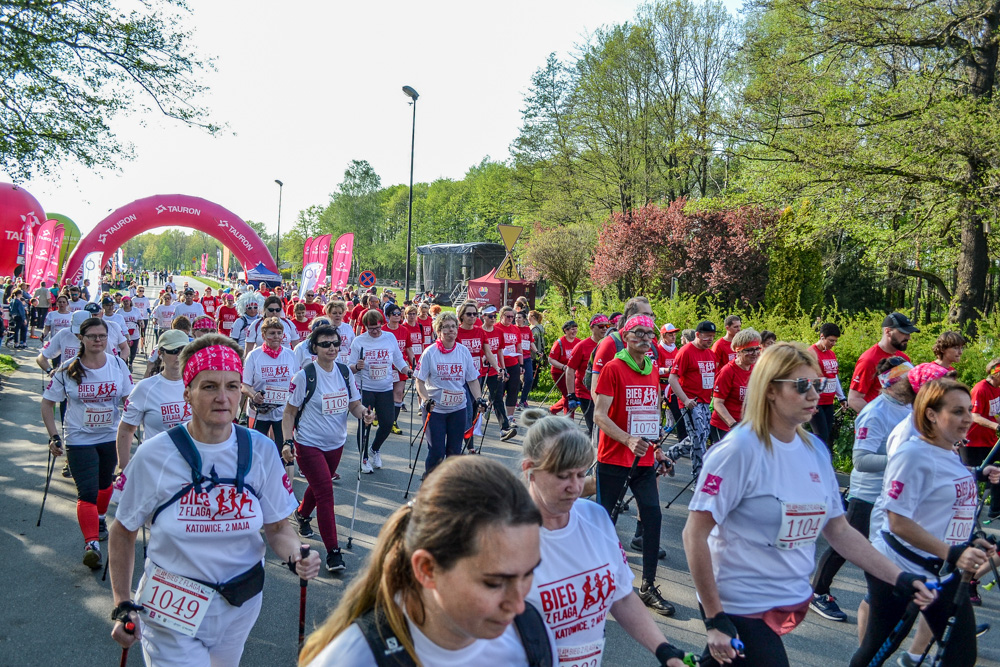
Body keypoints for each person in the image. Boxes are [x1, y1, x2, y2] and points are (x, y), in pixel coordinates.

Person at [683, 342, 934, 667]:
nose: (814, 394)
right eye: (802, 386)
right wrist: (715, 618)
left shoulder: (814, 448)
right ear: (770, 390)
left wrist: (899, 577)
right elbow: (694, 534)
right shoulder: (738, 450)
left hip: (785, 605)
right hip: (739, 606)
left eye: (818, 384)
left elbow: (839, 531)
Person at [108, 333, 321, 665]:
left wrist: (297, 556)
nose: (223, 397)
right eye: (209, 386)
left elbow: (278, 528)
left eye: (232, 386)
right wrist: (122, 603)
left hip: (240, 603)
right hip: (171, 606)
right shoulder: (156, 455)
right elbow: (123, 531)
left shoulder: (261, 449)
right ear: (188, 394)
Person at [298, 457, 557, 667]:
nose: (519, 605)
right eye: (494, 583)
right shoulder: (351, 659)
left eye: (528, 574)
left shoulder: (529, 634)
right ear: (427, 569)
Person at [519, 409, 690, 667]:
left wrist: (664, 650)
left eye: (580, 475)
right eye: (563, 476)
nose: (575, 487)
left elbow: (620, 597)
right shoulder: (504, 535)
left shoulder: (595, 518)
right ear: (530, 470)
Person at [851, 378, 998, 667]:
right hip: (900, 568)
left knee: (960, 656)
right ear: (931, 413)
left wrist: (968, 541)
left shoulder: (948, 450)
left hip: (943, 570)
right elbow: (898, 522)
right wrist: (953, 552)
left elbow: (942, 501)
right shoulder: (912, 454)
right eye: (957, 411)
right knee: (877, 650)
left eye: (969, 410)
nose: (968, 418)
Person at [809, 356, 917, 623]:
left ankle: (899, 598)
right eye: (907, 379)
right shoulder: (875, 412)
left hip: (895, 492)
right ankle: (817, 592)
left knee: (897, 546)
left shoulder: (909, 407)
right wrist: (902, 460)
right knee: (845, 546)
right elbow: (861, 460)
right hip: (868, 493)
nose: (913, 384)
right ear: (890, 383)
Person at [593, 314, 677, 616]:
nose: (645, 337)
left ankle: (648, 586)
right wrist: (627, 440)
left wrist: (658, 450)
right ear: (626, 336)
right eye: (638, 332)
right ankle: (595, 582)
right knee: (606, 525)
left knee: (653, 516)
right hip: (613, 458)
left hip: (643, 459)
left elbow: (650, 412)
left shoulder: (653, 368)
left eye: (649, 333)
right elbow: (599, 415)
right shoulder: (614, 368)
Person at [40, 317, 133, 568]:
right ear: (81, 338)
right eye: (92, 336)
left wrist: (131, 423)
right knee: (88, 492)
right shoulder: (68, 368)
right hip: (79, 438)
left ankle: (100, 518)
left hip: (109, 436)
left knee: (105, 485)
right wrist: (54, 436)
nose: (98, 341)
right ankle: (91, 544)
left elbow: (129, 399)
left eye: (102, 336)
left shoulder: (117, 365)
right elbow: (48, 403)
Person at [280, 325, 372, 573]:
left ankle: (301, 514)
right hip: (309, 444)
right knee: (326, 493)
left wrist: (363, 413)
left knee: (319, 487)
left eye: (335, 343)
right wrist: (288, 441)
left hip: (336, 444)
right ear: (314, 348)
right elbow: (289, 413)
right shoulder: (304, 376)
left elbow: (354, 404)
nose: (332, 348)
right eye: (325, 344)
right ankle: (333, 551)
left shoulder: (344, 372)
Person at [415, 313, 486, 474]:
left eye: (453, 326)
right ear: (438, 331)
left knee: (454, 453)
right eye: (445, 327)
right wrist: (425, 399)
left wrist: (479, 399)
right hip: (435, 410)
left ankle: (448, 488)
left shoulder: (463, 352)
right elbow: (419, 381)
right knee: (437, 453)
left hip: (458, 409)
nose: (450, 330)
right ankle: (430, 485)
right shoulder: (430, 352)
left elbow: (472, 380)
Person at [115, 329, 191, 469]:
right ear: (161, 354)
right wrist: (124, 469)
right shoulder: (145, 388)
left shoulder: (199, 384)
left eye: (184, 350)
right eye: (173, 350)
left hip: (192, 465)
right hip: (155, 465)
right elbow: (126, 429)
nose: (179, 355)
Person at [349, 309, 411, 473]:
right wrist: (357, 366)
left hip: (385, 388)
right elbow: (350, 367)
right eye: (371, 329)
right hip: (366, 388)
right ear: (365, 328)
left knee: (387, 423)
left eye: (378, 328)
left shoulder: (389, 337)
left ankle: (374, 449)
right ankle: (363, 458)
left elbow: (398, 359)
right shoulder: (359, 341)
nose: (375, 332)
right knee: (365, 422)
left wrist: (407, 370)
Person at [667, 320, 718, 479]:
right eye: (707, 336)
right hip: (691, 403)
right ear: (697, 335)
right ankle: (699, 477)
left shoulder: (710, 354)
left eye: (712, 337)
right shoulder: (686, 351)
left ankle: (670, 454)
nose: (710, 340)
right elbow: (672, 378)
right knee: (698, 439)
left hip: (704, 403)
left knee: (701, 436)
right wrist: (685, 400)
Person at [242, 317, 301, 451]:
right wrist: (254, 395)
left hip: (283, 412)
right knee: (256, 451)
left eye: (279, 333)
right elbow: (244, 385)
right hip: (259, 411)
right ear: (263, 335)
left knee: (283, 451)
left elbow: (297, 382)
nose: (276, 337)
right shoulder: (253, 356)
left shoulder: (290, 355)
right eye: (272, 333)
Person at [848, 312, 917, 412]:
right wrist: (879, 418)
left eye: (909, 333)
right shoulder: (868, 360)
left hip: (898, 424)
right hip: (875, 426)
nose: (908, 337)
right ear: (888, 331)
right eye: (904, 332)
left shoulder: (904, 359)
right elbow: (854, 399)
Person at [708, 328, 761, 445]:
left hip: (745, 427)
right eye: (749, 350)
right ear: (738, 351)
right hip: (725, 426)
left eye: (757, 349)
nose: (755, 353)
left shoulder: (755, 369)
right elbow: (717, 402)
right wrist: (733, 425)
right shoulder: (728, 371)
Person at [965, 358, 1000, 520]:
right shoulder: (980, 389)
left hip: (989, 441)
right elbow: (975, 416)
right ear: (996, 372)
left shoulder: (997, 389)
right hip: (972, 442)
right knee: (970, 477)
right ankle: (966, 512)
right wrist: (997, 427)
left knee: (996, 473)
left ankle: (995, 510)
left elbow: (992, 414)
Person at [564, 314, 609, 435]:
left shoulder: (609, 345)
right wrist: (571, 394)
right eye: (601, 326)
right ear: (592, 328)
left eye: (607, 326)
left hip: (605, 394)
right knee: (596, 427)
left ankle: (585, 445)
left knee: (603, 429)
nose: (604, 329)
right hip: (586, 394)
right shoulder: (582, 346)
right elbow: (570, 370)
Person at [808, 322, 849, 450]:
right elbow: (807, 378)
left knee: (827, 436)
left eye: (835, 341)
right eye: (831, 340)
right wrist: (811, 401)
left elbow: (834, 376)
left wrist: (841, 397)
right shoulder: (811, 353)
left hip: (828, 401)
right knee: (821, 435)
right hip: (817, 401)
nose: (833, 344)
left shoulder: (831, 354)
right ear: (822, 337)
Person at [481, 306, 517, 440]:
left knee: (498, 398)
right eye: (490, 316)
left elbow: (500, 351)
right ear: (483, 316)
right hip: (479, 370)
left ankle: (504, 428)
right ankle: (470, 426)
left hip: (494, 369)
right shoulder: (479, 332)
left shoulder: (499, 331)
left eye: (494, 316)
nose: (492, 318)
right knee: (475, 400)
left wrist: (502, 368)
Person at [383, 302, 414, 436]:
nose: (397, 316)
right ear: (388, 316)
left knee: (399, 393)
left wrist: (413, 364)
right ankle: (381, 416)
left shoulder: (404, 330)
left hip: (401, 368)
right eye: (393, 314)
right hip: (386, 368)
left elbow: (408, 349)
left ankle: (393, 423)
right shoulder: (383, 330)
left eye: (398, 314)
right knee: (384, 396)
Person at [497, 306, 523, 428]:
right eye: (508, 316)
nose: (510, 319)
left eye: (512, 317)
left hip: (513, 363)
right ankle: (491, 408)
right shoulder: (496, 328)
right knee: (499, 391)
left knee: (513, 390)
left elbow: (519, 347)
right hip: (499, 365)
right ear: (501, 316)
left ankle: (510, 417)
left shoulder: (515, 329)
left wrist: (521, 364)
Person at [547, 319, 580, 417]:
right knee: (569, 395)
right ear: (566, 330)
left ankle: (552, 410)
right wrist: (563, 367)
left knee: (572, 394)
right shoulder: (559, 343)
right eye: (572, 329)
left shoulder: (579, 342)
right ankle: (569, 420)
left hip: (573, 373)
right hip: (559, 373)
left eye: (575, 329)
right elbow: (551, 359)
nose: (574, 331)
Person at [514, 311, 536, 410]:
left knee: (529, 379)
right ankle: (513, 400)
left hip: (527, 357)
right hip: (516, 358)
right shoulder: (513, 329)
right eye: (516, 317)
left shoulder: (527, 329)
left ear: (524, 319)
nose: (517, 319)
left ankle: (523, 400)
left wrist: (537, 351)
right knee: (515, 381)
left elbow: (531, 342)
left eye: (519, 317)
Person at [116, 296, 143, 368]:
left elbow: (140, 319)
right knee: (125, 349)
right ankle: (126, 363)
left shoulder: (135, 310)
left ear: (130, 301)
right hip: (124, 334)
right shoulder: (119, 311)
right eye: (124, 301)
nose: (126, 303)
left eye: (127, 301)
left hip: (134, 333)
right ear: (122, 302)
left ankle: (131, 362)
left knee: (133, 351)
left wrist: (141, 323)